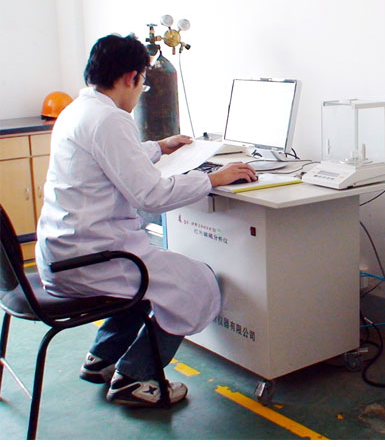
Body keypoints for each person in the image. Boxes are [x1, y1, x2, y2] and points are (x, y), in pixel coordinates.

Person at [35, 34, 257, 407]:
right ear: (131, 77)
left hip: (64, 253)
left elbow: (111, 156)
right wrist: (213, 179)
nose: (141, 91)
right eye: (143, 83)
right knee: (198, 283)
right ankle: (134, 377)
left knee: (154, 285)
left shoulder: (79, 109)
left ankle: (101, 358)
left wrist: (159, 147)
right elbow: (150, 195)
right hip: (93, 258)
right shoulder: (110, 118)